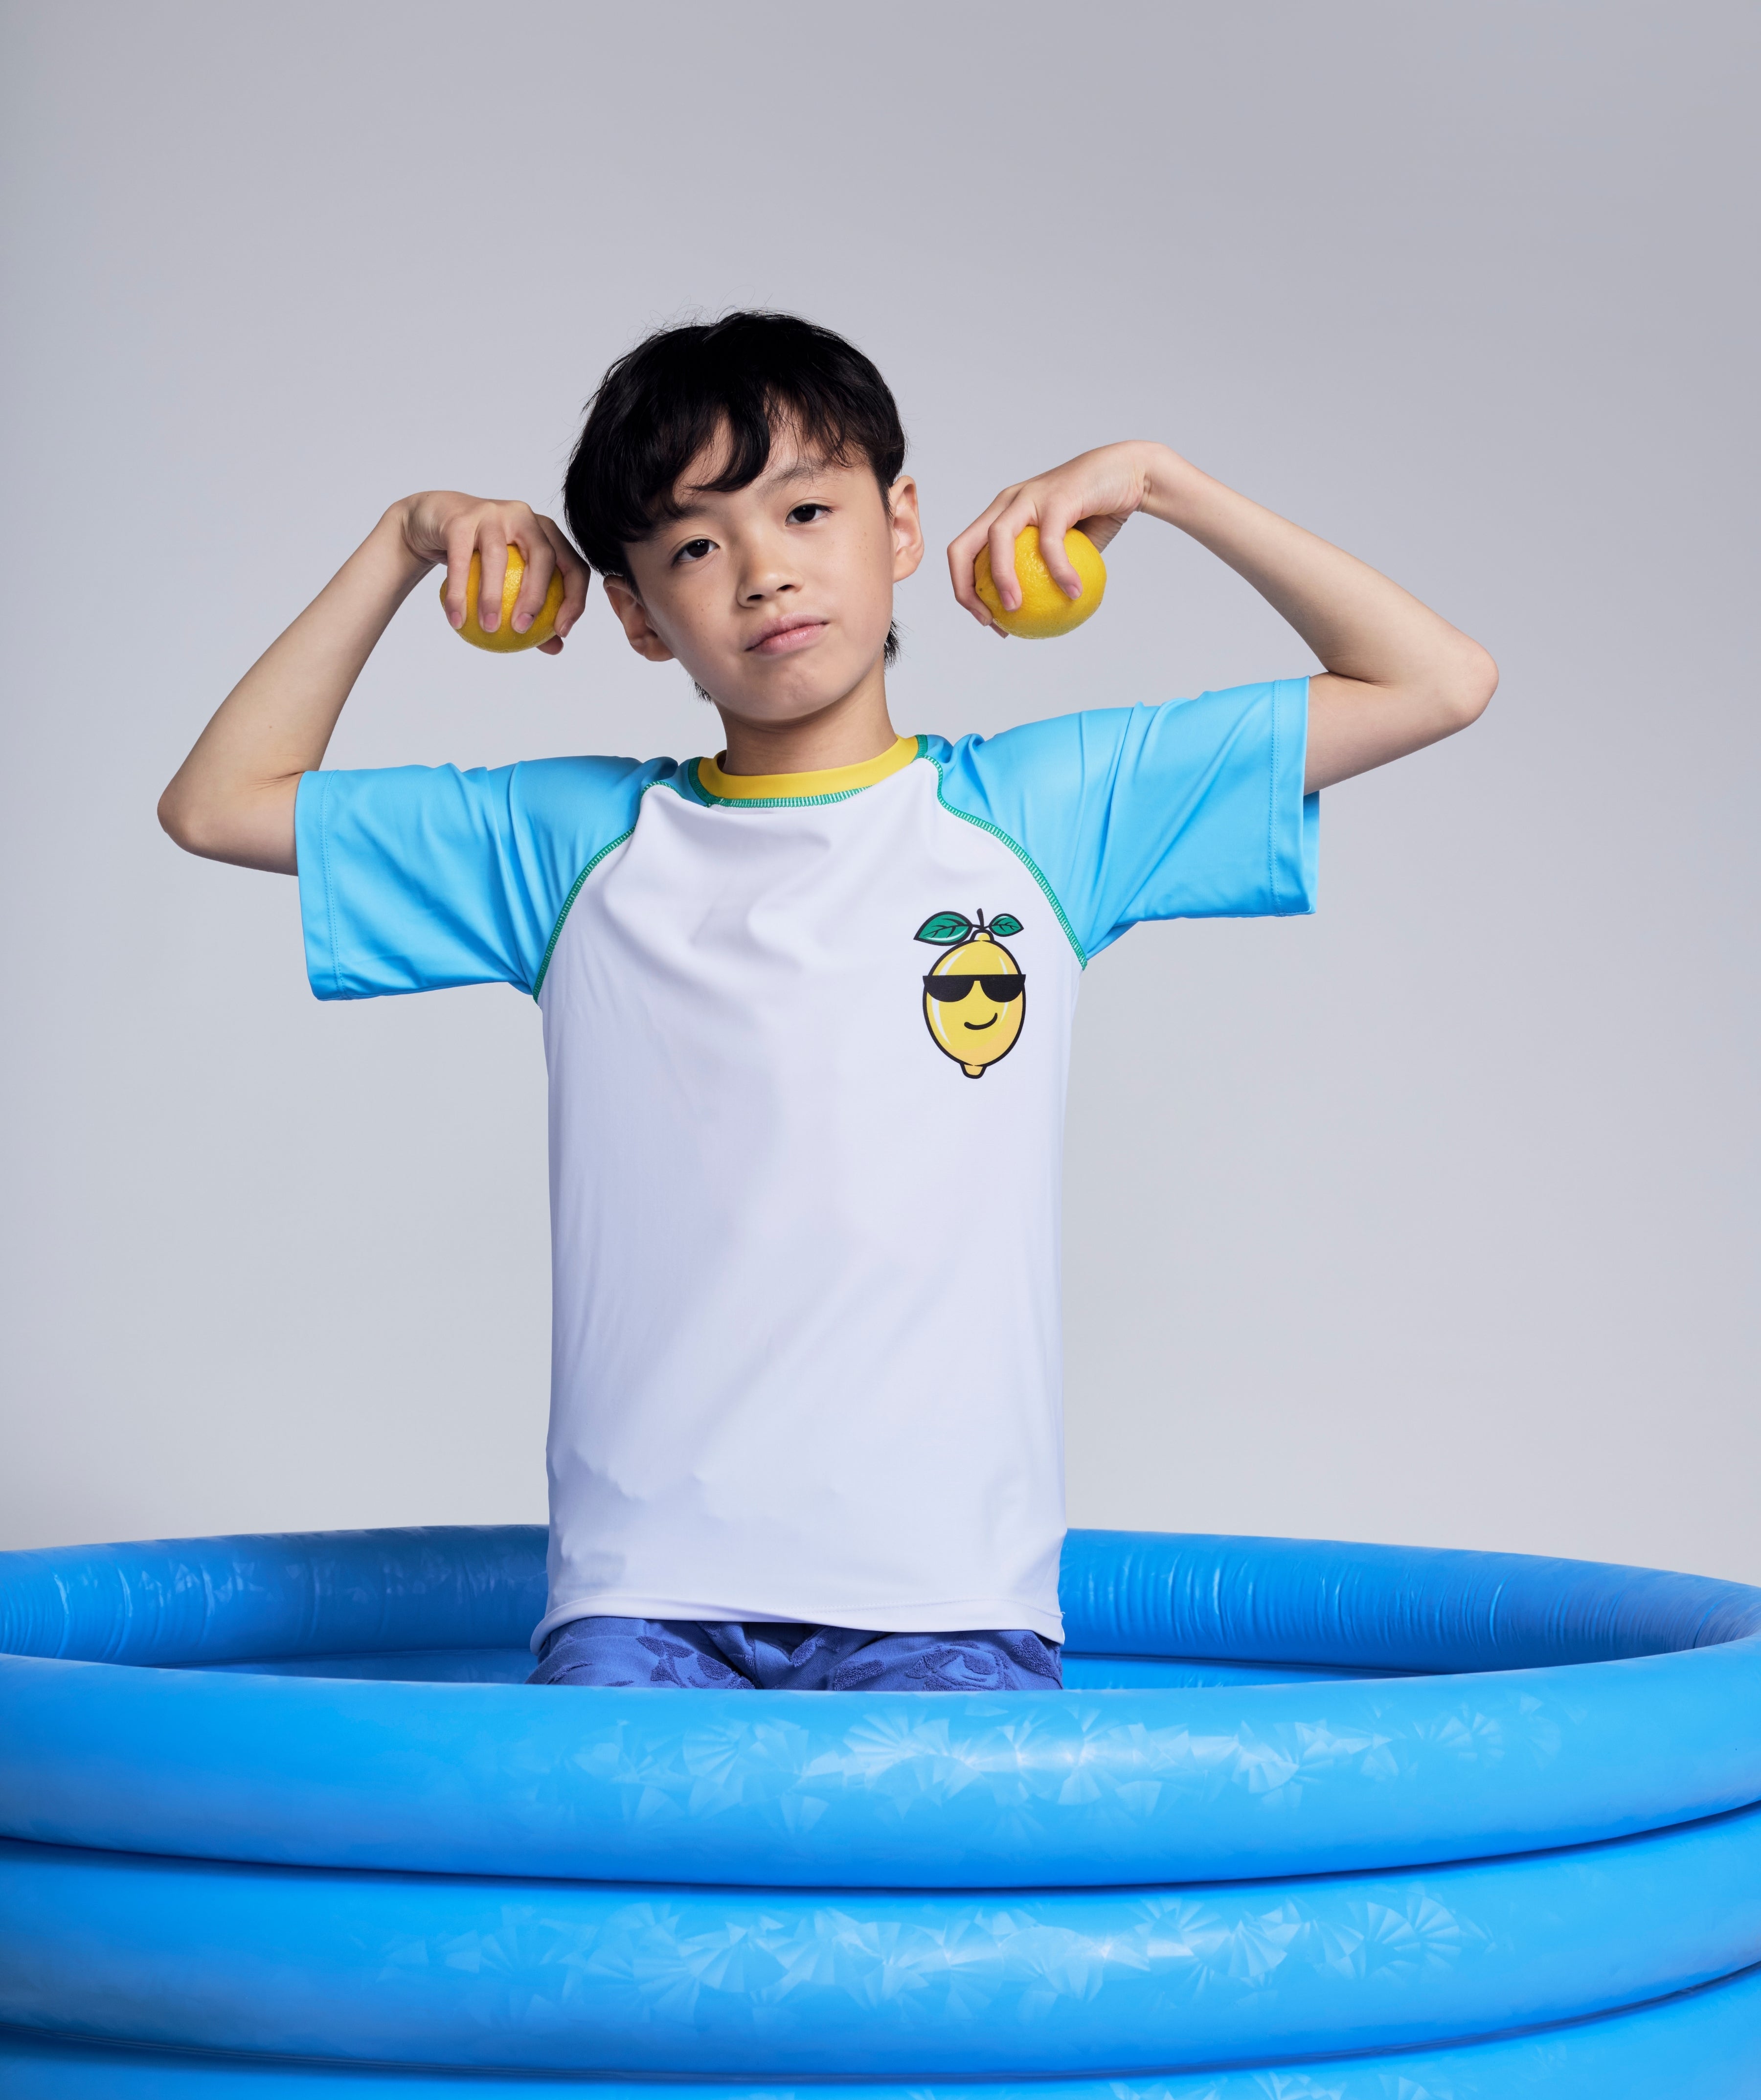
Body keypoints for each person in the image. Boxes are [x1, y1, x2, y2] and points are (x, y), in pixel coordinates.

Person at [159, 311, 1496, 1695]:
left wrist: (1162, 482)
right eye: (694, 545)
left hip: (944, 1593)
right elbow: (217, 805)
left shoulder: (1048, 815)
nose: (765, 573)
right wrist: (405, 540)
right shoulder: (569, 846)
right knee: (606, 1918)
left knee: (947, 1919)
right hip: (644, 1594)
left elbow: (1438, 680)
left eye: (807, 508)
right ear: (632, 610)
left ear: (900, 524)